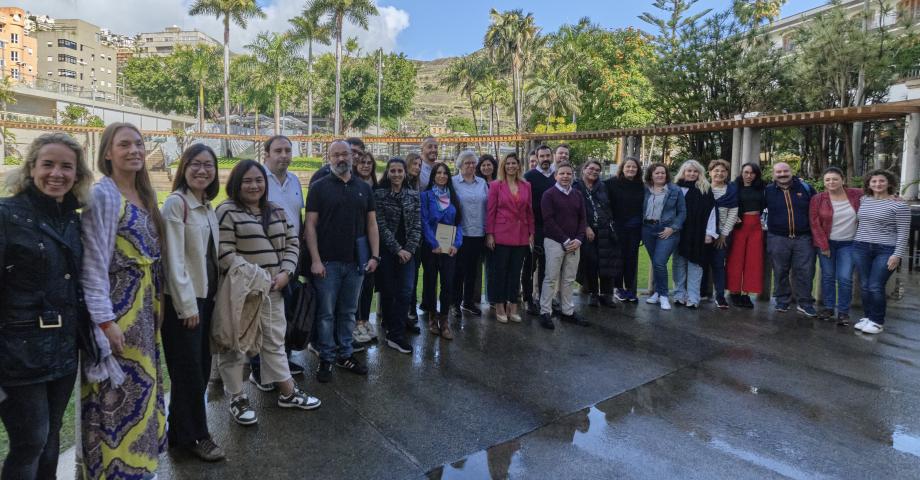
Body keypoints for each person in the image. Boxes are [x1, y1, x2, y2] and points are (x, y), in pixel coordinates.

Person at [0, 133, 92, 479]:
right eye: (48, 164)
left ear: (78, 175)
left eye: (66, 166)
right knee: (30, 442)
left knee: (51, 440)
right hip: (17, 353)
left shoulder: (72, 219)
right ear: (31, 168)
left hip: (62, 350)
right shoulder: (6, 216)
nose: (57, 174)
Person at [79, 123, 166, 479]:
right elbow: (93, 266)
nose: (134, 150)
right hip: (117, 315)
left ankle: (141, 469)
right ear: (107, 153)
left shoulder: (145, 196)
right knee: (115, 399)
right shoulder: (104, 195)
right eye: (124, 144)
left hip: (145, 314)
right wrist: (104, 323)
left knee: (143, 396)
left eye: (139, 143)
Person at [215, 160, 321, 426]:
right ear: (236, 184)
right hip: (242, 293)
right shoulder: (226, 211)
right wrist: (256, 277)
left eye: (258, 180)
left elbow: (293, 243)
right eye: (247, 181)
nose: (254, 185)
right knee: (236, 345)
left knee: (274, 341)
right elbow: (224, 252)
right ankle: (237, 398)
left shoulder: (275, 210)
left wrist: (286, 273)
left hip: (275, 290)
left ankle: (287, 392)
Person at [160, 144, 225, 461]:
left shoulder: (207, 205)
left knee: (197, 369)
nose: (202, 170)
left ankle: (178, 434)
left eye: (209, 165)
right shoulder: (176, 204)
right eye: (196, 164)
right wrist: (186, 308)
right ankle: (199, 436)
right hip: (185, 304)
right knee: (189, 374)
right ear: (184, 167)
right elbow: (173, 261)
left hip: (206, 300)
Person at [305, 141, 379, 383]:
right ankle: (326, 357)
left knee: (348, 312)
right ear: (328, 157)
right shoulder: (319, 187)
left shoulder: (363, 188)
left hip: (356, 262)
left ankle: (345, 354)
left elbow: (371, 224)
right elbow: (310, 227)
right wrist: (315, 260)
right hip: (327, 263)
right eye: (335, 155)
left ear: (352, 157)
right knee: (326, 314)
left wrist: (374, 255)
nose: (340, 159)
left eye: (344, 154)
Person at [252, 135, 306, 390]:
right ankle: (258, 370)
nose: (283, 155)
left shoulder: (294, 180)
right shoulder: (258, 179)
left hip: (290, 257)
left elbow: (299, 218)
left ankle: (282, 362)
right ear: (266, 154)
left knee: (285, 315)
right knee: (261, 317)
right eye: (278, 150)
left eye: (287, 150)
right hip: (264, 257)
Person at [852, 170, 911, 335]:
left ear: (889, 183)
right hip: (861, 247)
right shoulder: (864, 200)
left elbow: (903, 232)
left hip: (886, 249)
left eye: (881, 181)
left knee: (875, 285)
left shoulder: (899, 205)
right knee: (864, 285)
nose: (878, 184)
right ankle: (868, 317)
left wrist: (897, 254)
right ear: (869, 184)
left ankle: (877, 321)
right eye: (874, 181)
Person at [374, 157, 421, 353]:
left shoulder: (413, 195)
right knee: (389, 291)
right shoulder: (380, 195)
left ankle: (397, 332)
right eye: (392, 171)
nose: (396, 174)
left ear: (404, 173)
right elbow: (381, 226)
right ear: (387, 173)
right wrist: (397, 249)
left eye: (399, 171)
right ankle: (392, 329)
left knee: (406, 290)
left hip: (408, 253)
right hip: (388, 250)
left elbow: (417, 224)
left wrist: (409, 249)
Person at [808, 166, 862, 325]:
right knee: (828, 276)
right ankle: (829, 307)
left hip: (849, 244)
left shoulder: (856, 195)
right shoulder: (818, 199)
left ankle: (844, 312)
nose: (831, 182)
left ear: (843, 180)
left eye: (835, 179)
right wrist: (823, 246)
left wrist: (894, 197)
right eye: (828, 179)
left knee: (845, 278)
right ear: (824, 182)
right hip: (826, 243)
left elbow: (878, 193)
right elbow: (814, 223)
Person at [486, 153, 534, 323]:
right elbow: (490, 212)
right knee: (500, 272)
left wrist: (531, 233)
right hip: (501, 234)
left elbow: (529, 211)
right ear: (503, 166)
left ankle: (512, 306)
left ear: (519, 166)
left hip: (521, 235)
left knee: (515, 273)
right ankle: (499, 306)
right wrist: (490, 234)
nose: (511, 166)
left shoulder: (526, 185)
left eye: (514, 163)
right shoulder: (495, 186)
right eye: (508, 164)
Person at [538, 163, 587, 329]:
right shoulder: (548, 195)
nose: (565, 176)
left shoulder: (578, 195)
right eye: (562, 174)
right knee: (551, 277)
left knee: (569, 279)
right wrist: (565, 240)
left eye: (568, 173)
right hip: (554, 241)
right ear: (555, 176)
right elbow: (548, 220)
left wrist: (579, 239)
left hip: (575, 243)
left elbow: (583, 219)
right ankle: (545, 311)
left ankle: (568, 311)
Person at [764, 162, 817, 316]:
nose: (782, 174)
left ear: (791, 171)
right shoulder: (768, 191)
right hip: (778, 237)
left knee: (805, 271)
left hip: (803, 238)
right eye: (778, 172)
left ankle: (805, 302)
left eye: (785, 171)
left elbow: (820, 204)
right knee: (780, 270)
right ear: (774, 174)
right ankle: (782, 300)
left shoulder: (805, 188)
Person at [420, 162, 463, 339]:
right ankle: (432, 317)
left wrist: (456, 244)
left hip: (449, 249)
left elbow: (459, 223)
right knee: (430, 283)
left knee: (447, 284)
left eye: (445, 173)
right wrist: (433, 243)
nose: (442, 176)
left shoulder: (454, 197)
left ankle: (444, 320)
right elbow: (424, 221)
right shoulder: (426, 196)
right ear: (433, 176)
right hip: (431, 248)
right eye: (438, 173)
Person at [671, 160, 718, 309]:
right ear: (683, 172)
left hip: (698, 233)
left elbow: (712, 212)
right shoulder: (675, 188)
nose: (692, 174)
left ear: (699, 173)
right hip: (679, 232)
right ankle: (679, 295)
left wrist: (709, 233)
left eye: (695, 171)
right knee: (678, 264)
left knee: (695, 265)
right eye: (688, 171)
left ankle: (693, 297)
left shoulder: (705, 189)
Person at [574, 160, 619, 307]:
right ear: (584, 169)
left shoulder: (603, 187)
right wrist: (586, 226)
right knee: (591, 262)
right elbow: (575, 210)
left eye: (597, 170)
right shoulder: (576, 186)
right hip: (587, 230)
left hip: (605, 229)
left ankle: (607, 294)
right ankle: (593, 293)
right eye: (591, 168)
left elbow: (609, 207)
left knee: (607, 262)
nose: (594, 171)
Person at [642, 163, 686, 311]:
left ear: (667, 175)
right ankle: (656, 292)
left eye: (663, 173)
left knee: (660, 262)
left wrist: (673, 228)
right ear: (651, 175)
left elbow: (682, 212)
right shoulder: (645, 189)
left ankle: (664, 296)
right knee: (655, 262)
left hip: (667, 230)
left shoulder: (675, 190)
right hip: (648, 229)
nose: (660, 175)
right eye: (657, 173)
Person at [452, 150, 489, 316]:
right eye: (467, 163)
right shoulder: (453, 182)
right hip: (460, 233)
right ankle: (455, 303)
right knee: (458, 270)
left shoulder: (482, 183)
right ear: (460, 165)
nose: (471, 166)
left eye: (473, 163)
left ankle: (468, 302)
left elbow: (488, 206)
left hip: (478, 232)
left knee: (472, 271)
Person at [522, 145, 556, 315]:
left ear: (552, 156)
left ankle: (544, 299)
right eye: (542, 156)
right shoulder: (529, 177)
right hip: (533, 227)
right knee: (529, 266)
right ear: (536, 157)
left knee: (546, 266)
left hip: (552, 228)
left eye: (547, 155)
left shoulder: (557, 176)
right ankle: (528, 299)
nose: (545, 159)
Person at [726, 162, 766, 308]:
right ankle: (734, 292)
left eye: (752, 173)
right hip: (739, 226)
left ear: (756, 174)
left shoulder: (762, 187)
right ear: (741, 173)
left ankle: (746, 294)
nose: (749, 176)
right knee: (735, 260)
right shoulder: (733, 186)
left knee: (753, 261)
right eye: (746, 172)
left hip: (756, 226)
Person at [605, 157, 644, 303]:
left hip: (634, 228)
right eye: (628, 166)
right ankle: (617, 288)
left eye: (634, 167)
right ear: (622, 168)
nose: (631, 169)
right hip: (617, 228)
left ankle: (629, 289)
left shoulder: (641, 185)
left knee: (631, 259)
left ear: (638, 169)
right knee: (618, 258)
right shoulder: (611, 183)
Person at [353, 152, 379, 344]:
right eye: (362, 162)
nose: (366, 166)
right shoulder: (352, 186)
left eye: (369, 163)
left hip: (374, 241)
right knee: (358, 284)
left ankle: (364, 319)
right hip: (357, 241)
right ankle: (356, 323)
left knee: (369, 283)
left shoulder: (375, 187)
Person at [706, 160, 739, 309]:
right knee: (699, 264)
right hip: (703, 233)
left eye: (723, 171)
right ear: (710, 173)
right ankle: (698, 293)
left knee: (719, 265)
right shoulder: (703, 189)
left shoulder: (732, 191)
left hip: (722, 234)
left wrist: (723, 235)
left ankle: (719, 295)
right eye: (716, 170)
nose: (719, 173)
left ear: (727, 174)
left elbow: (733, 213)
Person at [405, 151, 423, 330]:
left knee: (412, 276)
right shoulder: (401, 183)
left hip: (416, 239)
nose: (417, 167)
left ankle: (411, 310)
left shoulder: (416, 185)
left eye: (420, 165)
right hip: (401, 240)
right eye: (415, 164)